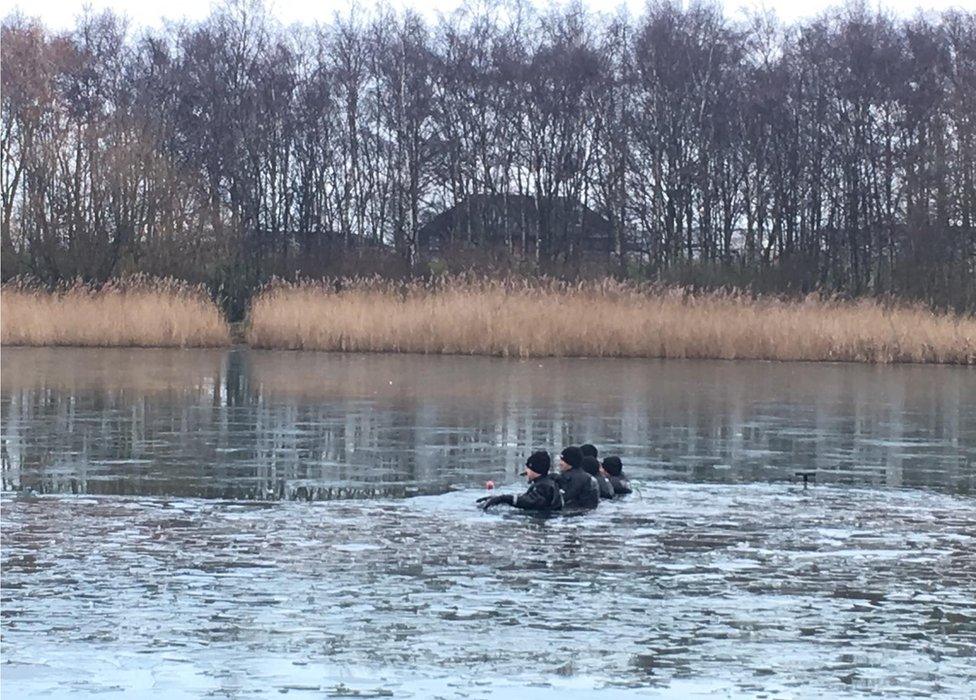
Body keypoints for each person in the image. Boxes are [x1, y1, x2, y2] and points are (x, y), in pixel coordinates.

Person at [478, 451, 563, 512]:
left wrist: (503, 498)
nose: (526, 471)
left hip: (544, 517)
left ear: (534, 469)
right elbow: (527, 498)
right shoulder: (545, 483)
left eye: (528, 468)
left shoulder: (544, 486)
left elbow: (529, 502)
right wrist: (496, 498)